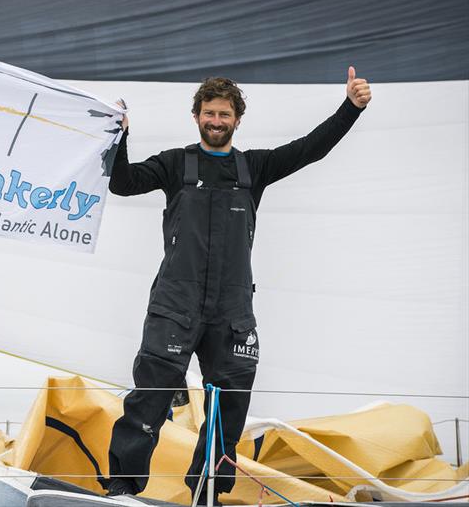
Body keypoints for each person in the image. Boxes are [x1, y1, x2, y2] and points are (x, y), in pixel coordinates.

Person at [106, 68, 372, 501]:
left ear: (237, 119)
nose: (216, 120)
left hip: (232, 314)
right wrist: (119, 137)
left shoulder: (255, 167)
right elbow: (123, 183)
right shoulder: (176, 163)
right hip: (175, 305)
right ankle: (122, 489)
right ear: (196, 117)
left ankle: (207, 494)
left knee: (227, 414)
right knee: (148, 401)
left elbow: (310, 149)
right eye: (209, 113)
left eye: (224, 114)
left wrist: (351, 108)